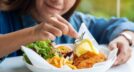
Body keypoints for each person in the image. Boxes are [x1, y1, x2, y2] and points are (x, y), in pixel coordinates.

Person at [0, 0, 134, 66]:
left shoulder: (75, 22)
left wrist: (124, 37)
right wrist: (34, 33)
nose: (58, 0)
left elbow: (122, 24)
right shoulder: (4, 18)